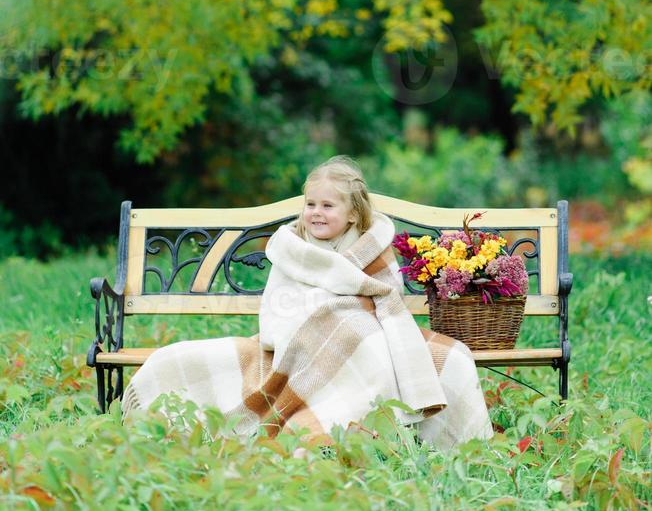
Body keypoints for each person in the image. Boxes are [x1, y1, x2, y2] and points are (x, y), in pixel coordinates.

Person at [122, 155, 492, 450]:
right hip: (303, 343)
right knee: (174, 361)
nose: (316, 212)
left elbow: (385, 296)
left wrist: (348, 315)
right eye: (310, 204)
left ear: (352, 213)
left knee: (448, 357)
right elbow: (279, 308)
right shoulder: (294, 251)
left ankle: (357, 427)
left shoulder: (371, 248)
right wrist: (316, 319)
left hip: (362, 336)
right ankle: (324, 425)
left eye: (328, 205)